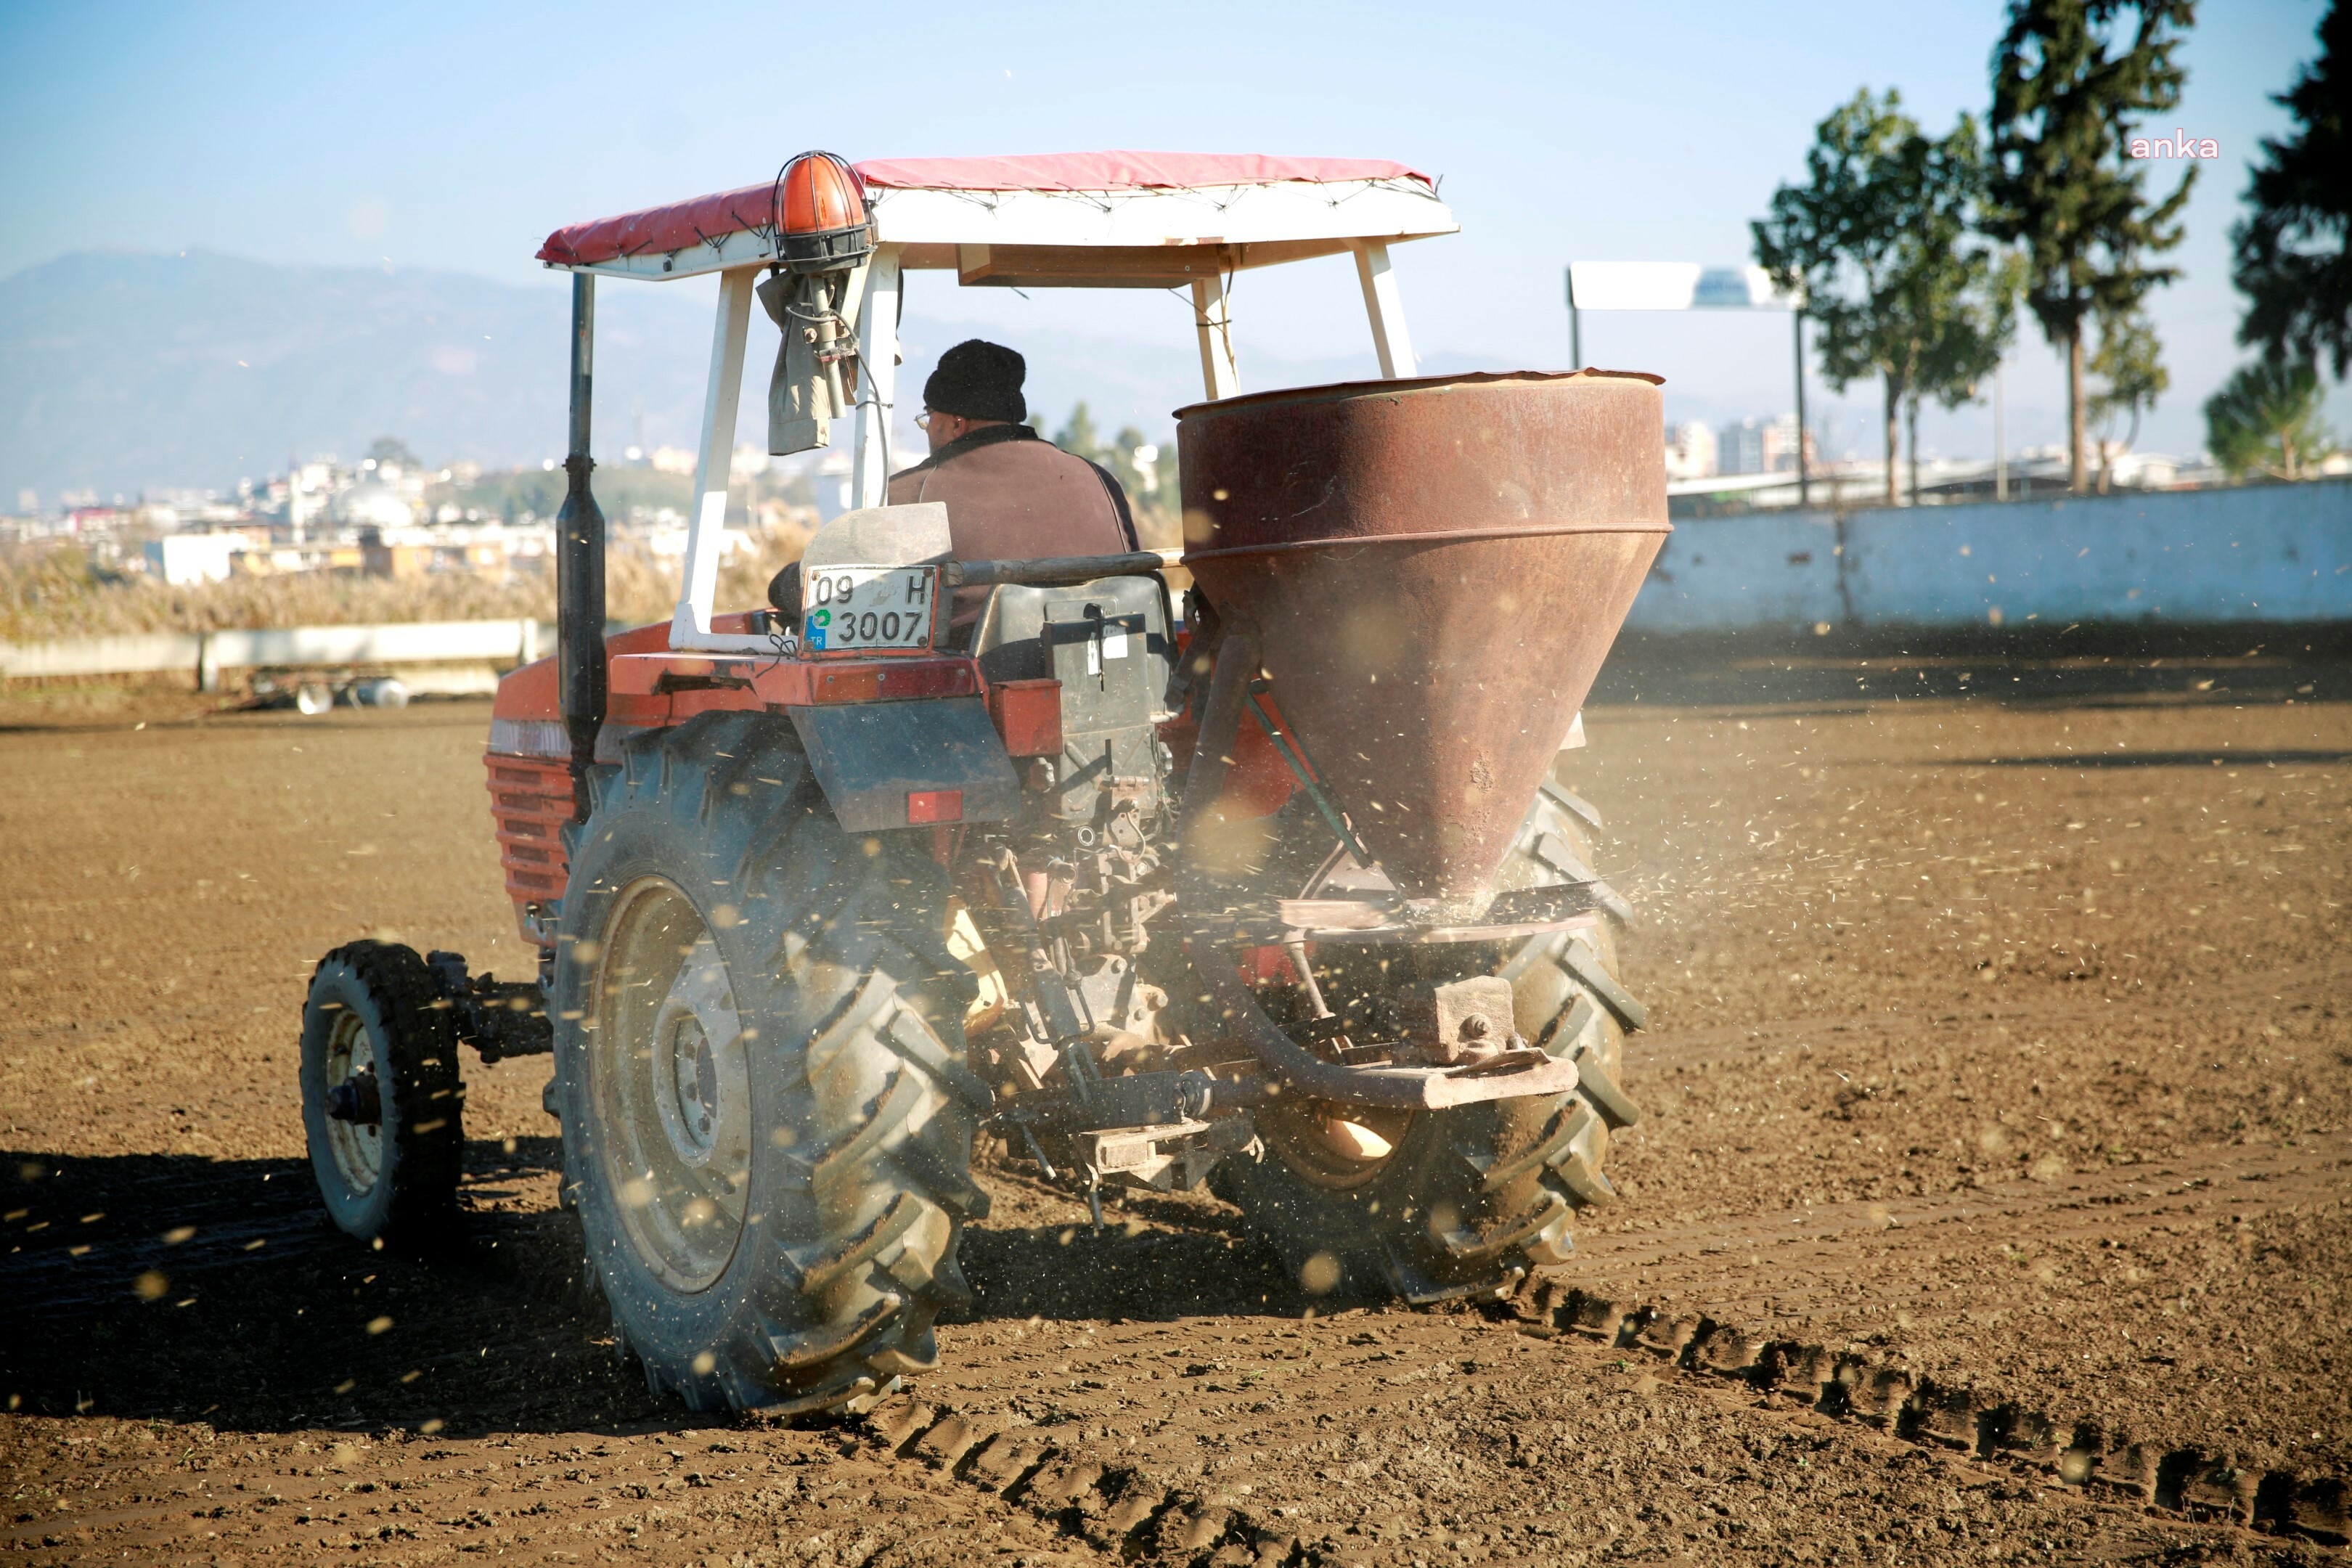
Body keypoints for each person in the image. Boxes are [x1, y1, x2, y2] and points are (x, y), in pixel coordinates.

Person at [769, 339, 1139, 628]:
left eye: (930, 417)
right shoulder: (1099, 479)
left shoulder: (910, 495)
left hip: (979, 694)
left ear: (956, 424)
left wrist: (783, 585)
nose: (927, 427)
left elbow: (823, 588)